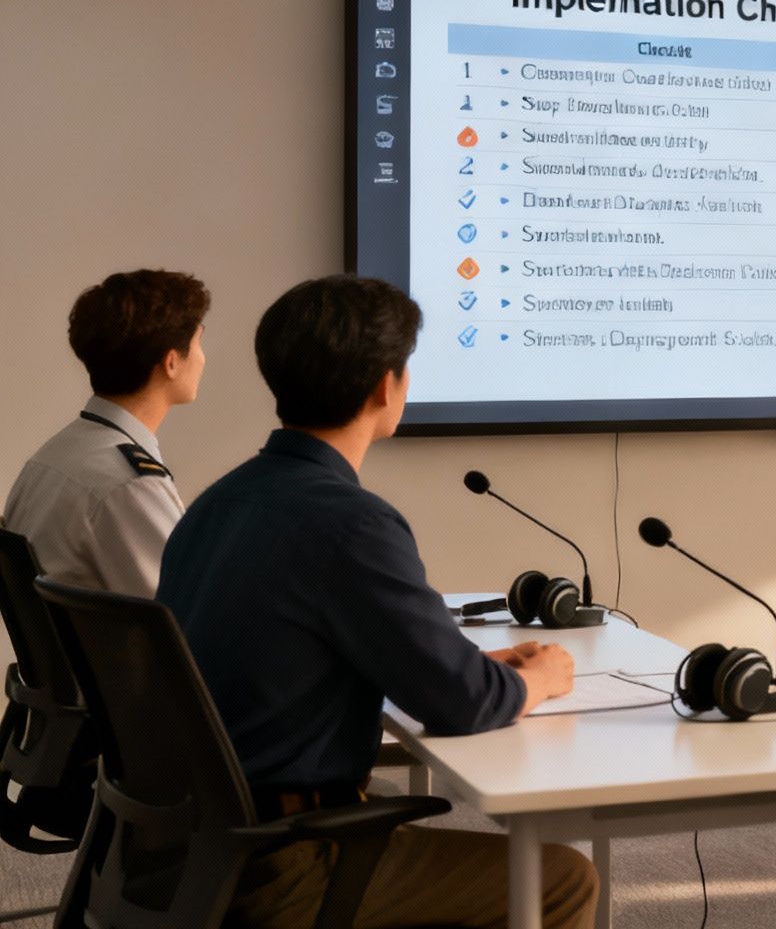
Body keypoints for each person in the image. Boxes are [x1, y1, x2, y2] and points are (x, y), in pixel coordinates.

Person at [155, 275, 597, 929]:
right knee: (560, 879)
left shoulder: (218, 503)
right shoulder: (353, 525)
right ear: (386, 386)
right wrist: (537, 679)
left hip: (186, 849)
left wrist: (472, 665)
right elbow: (461, 703)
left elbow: (294, 651)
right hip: (280, 864)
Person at [4, 269, 209, 596]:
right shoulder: (131, 484)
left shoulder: (49, 459)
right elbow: (189, 611)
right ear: (171, 363)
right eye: (199, 341)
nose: (203, 357)